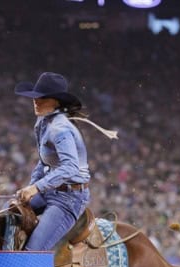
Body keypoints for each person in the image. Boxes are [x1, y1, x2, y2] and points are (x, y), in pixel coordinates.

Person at [14, 71, 116, 251]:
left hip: (69, 199)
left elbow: (70, 167)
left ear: (56, 102)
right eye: (35, 97)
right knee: (9, 216)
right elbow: (44, 162)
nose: (36, 101)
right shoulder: (42, 122)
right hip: (49, 192)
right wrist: (31, 189)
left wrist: (35, 188)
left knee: (32, 251)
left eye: (43, 98)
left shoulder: (60, 129)